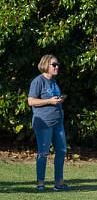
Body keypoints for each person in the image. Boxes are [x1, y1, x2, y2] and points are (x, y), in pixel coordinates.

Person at [27, 54, 69, 191]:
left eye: (57, 65)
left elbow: (53, 99)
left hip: (58, 123)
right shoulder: (38, 81)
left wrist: (58, 100)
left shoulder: (54, 82)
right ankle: (40, 183)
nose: (57, 67)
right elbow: (31, 101)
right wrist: (49, 101)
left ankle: (59, 183)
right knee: (44, 152)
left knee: (62, 150)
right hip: (44, 123)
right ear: (46, 65)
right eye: (54, 65)